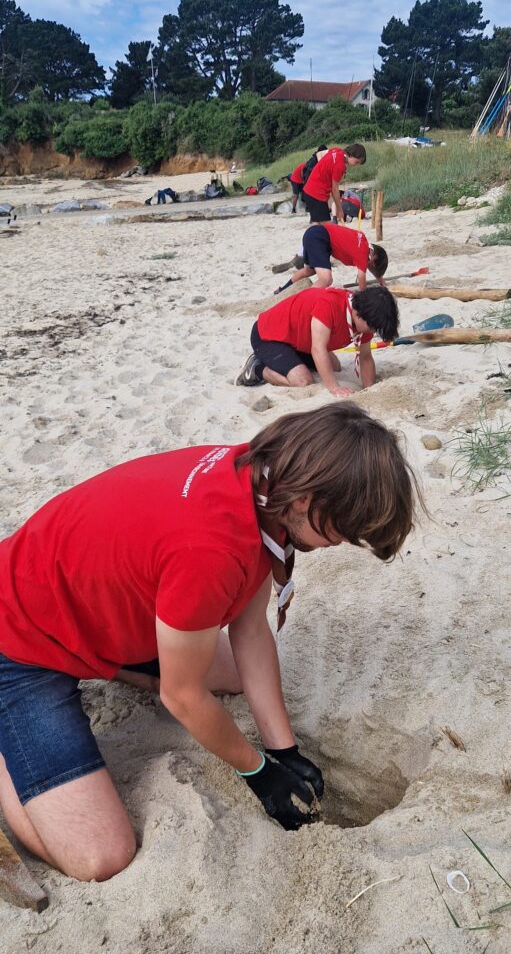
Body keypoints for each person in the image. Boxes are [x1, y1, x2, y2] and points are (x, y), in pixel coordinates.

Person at [0, 404, 420, 881]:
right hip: (18, 643)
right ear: (306, 500)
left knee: (239, 676)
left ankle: (108, 662)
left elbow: (251, 629)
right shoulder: (211, 550)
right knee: (100, 856)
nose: (339, 544)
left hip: (87, 610)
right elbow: (180, 697)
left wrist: (284, 750)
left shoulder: (262, 482)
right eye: (342, 532)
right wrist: (256, 770)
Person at [236, 286, 398, 397]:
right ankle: (256, 368)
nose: (373, 332)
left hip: (296, 341)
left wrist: (369, 390)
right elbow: (318, 349)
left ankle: (289, 362)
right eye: (373, 328)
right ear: (358, 314)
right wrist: (334, 388)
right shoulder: (329, 304)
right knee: (303, 381)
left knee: (335, 366)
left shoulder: (365, 319)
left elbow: (365, 357)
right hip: (267, 334)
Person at [274, 223, 388, 292]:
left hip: (313, 233)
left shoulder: (363, 240)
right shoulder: (363, 253)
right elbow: (361, 279)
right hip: (320, 237)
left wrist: (379, 278)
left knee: (309, 270)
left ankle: (282, 289)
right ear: (374, 257)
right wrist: (364, 296)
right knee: (326, 279)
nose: (368, 267)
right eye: (371, 265)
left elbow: (369, 265)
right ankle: (305, 301)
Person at [301, 144, 366, 223]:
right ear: (351, 154)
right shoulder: (340, 166)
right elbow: (334, 189)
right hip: (316, 194)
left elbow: (321, 156)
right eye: (356, 162)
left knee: (319, 225)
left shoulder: (337, 150)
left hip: (310, 189)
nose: (355, 165)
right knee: (327, 227)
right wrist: (340, 209)